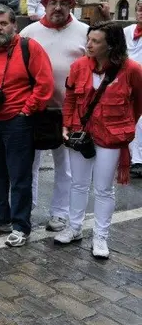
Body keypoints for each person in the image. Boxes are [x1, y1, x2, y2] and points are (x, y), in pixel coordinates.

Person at [0, 5, 54, 247]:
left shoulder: (29, 48)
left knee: (19, 176)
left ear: (14, 25)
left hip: (18, 122)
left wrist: (27, 110)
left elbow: (45, 83)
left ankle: (20, 226)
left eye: (4, 23)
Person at [56, 22, 142, 258]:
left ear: (111, 45)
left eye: (96, 41)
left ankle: (100, 236)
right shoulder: (79, 66)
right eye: (89, 39)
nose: (89, 45)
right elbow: (70, 98)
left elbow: (138, 103)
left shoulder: (132, 70)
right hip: (81, 132)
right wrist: (66, 125)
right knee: (78, 183)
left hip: (111, 135)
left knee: (104, 188)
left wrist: (124, 125)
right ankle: (74, 227)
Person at [20, 0, 88, 232]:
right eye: (52, 2)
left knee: (65, 166)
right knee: (29, 164)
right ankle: (26, 209)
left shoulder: (84, 32)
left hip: (70, 112)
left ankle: (60, 213)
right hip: (35, 109)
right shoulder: (29, 31)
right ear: (44, 5)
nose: (57, 7)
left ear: (71, 6)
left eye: (63, 2)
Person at [123, 0, 142, 177]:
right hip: (127, 81)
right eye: (139, 10)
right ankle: (133, 158)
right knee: (130, 119)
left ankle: (138, 160)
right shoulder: (127, 31)